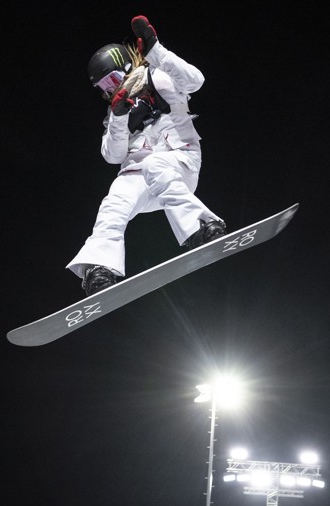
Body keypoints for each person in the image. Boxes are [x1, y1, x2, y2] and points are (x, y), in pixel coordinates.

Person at [69, 16, 226, 296]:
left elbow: (195, 81)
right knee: (115, 199)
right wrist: (118, 118)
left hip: (179, 165)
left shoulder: (159, 76)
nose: (110, 89)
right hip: (141, 180)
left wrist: (156, 51)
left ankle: (201, 228)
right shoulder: (115, 111)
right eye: (103, 88)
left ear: (126, 67)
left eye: (113, 80)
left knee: (155, 163)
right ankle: (100, 269)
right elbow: (112, 156)